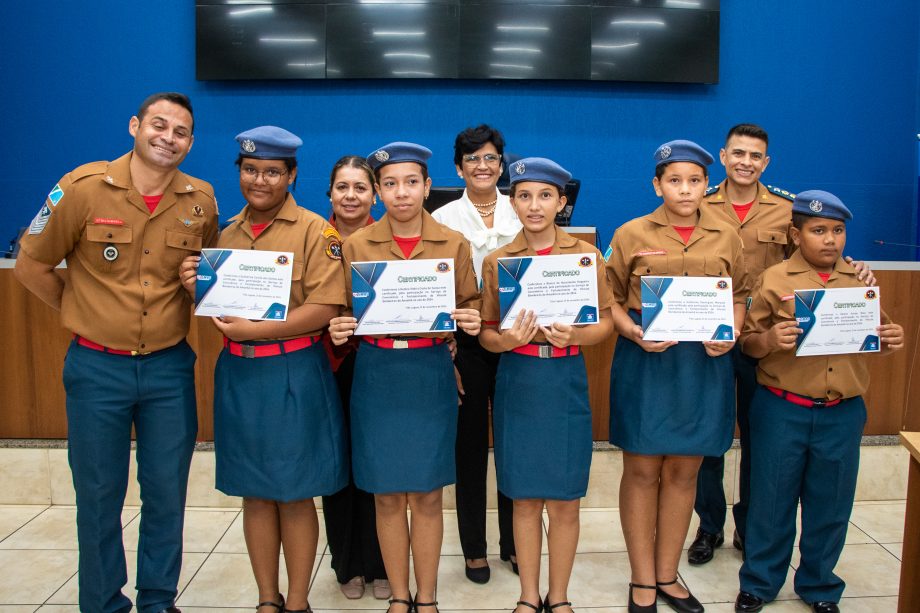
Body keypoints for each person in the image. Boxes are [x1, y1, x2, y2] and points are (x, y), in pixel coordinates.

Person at [14, 92, 218, 613]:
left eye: (180, 132)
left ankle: (156, 601)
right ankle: (103, 603)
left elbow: (207, 278)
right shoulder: (80, 188)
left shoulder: (201, 201)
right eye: (158, 124)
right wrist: (79, 309)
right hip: (97, 367)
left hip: (169, 368)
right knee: (98, 498)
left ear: (190, 143)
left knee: (166, 494)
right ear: (134, 126)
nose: (167, 137)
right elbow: (30, 264)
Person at [179, 126, 348, 613]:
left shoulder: (318, 230)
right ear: (240, 173)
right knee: (254, 494)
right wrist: (198, 289)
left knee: (295, 495)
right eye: (250, 170)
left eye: (272, 171)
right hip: (240, 376)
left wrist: (257, 332)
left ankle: (297, 601)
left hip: (294, 370)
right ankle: (266, 600)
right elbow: (218, 309)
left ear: (291, 176)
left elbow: (326, 305)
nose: (260, 180)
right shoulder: (223, 234)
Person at [691, 124, 876, 565]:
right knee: (709, 437)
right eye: (738, 153)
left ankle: (752, 525)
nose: (746, 162)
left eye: (755, 156)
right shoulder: (697, 202)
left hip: (772, 341)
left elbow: (819, 250)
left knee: (762, 440)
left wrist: (856, 268)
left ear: (766, 163)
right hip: (712, 338)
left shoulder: (785, 208)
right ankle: (709, 526)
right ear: (722, 156)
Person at [327, 142, 482, 613]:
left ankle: (428, 597)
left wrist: (470, 320)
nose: (401, 193)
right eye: (390, 184)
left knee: (429, 496)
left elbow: (470, 303)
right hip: (377, 374)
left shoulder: (452, 243)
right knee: (388, 496)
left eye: (411, 182)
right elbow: (339, 311)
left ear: (428, 187)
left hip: (429, 372)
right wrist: (337, 326)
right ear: (378, 191)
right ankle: (398, 595)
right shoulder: (356, 245)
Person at [733, 191, 904, 613]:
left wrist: (889, 341)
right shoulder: (775, 279)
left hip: (842, 412)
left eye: (838, 231)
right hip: (781, 407)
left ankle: (819, 584)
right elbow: (749, 345)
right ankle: (759, 581)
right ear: (796, 234)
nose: (830, 240)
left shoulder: (860, 282)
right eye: (819, 230)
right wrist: (769, 340)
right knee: (771, 501)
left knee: (831, 503)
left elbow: (872, 339)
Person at [604, 140, 749, 613]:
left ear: (708, 184)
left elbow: (740, 295)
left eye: (694, 181)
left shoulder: (728, 235)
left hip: (703, 366)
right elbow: (609, 298)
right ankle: (642, 578)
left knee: (685, 471)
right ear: (657, 184)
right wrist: (632, 331)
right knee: (643, 470)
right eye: (674, 180)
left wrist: (734, 331)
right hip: (647, 363)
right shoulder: (630, 232)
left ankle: (668, 574)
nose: (685, 190)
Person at [479, 157, 614, 613]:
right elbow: (485, 332)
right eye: (523, 195)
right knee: (522, 497)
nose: (534, 205)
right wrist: (505, 339)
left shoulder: (585, 257)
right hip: (519, 381)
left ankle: (558, 598)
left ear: (561, 202)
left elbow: (606, 322)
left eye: (544, 196)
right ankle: (528, 596)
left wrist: (577, 334)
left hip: (565, 380)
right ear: (511, 201)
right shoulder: (499, 262)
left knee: (564, 502)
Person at [431, 124, 521, 583]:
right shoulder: (442, 219)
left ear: (501, 165)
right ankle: (474, 549)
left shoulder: (523, 207)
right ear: (458, 168)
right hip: (466, 342)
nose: (482, 166)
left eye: (490, 158)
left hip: (517, 339)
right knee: (468, 447)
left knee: (513, 443)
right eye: (472, 159)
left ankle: (513, 542)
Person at [319, 155, 390, 601]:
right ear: (329, 194)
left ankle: (380, 561)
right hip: (325, 364)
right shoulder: (313, 235)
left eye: (360, 188)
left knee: (376, 463)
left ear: (374, 195)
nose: (350, 196)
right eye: (342, 187)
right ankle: (347, 563)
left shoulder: (388, 239)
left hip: (376, 364)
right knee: (336, 464)